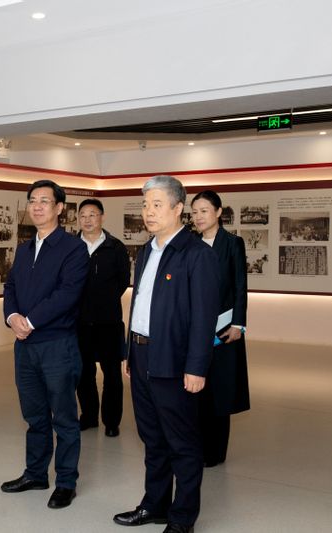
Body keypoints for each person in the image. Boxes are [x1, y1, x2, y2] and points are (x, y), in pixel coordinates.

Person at [113, 175, 219, 533]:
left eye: (157, 205)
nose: (148, 212)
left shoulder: (197, 255)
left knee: (182, 443)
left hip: (175, 361)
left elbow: (204, 317)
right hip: (141, 356)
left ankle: (182, 518)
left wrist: (197, 367)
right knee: (152, 438)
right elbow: (139, 306)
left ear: (178, 208)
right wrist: (129, 351)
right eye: (145, 205)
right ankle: (154, 505)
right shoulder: (146, 251)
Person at [0, 179, 89, 510]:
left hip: (57, 345)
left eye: (44, 201)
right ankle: (35, 474)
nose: (36, 207)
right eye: (32, 201)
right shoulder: (24, 248)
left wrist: (30, 321)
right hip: (25, 347)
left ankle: (66, 482)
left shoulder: (73, 248)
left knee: (64, 418)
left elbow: (67, 294)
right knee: (34, 415)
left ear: (59, 208)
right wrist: (12, 317)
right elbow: (10, 287)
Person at [191, 190, 251, 467]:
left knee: (220, 388)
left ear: (218, 212)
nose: (198, 217)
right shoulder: (190, 244)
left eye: (204, 210)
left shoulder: (232, 243)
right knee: (196, 388)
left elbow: (240, 285)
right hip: (195, 328)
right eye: (194, 212)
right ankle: (197, 446)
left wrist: (239, 323)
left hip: (224, 327)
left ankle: (216, 452)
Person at [75, 199, 130, 437]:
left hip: (108, 321)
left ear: (102, 217)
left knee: (112, 375)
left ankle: (111, 421)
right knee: (83, 373)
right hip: (79, 322)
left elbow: (123, 280)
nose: (87, 220)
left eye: (92, 214)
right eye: (83, 215)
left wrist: (103, 300)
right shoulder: (70, 247)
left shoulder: (115, 247)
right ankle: (89, 416)